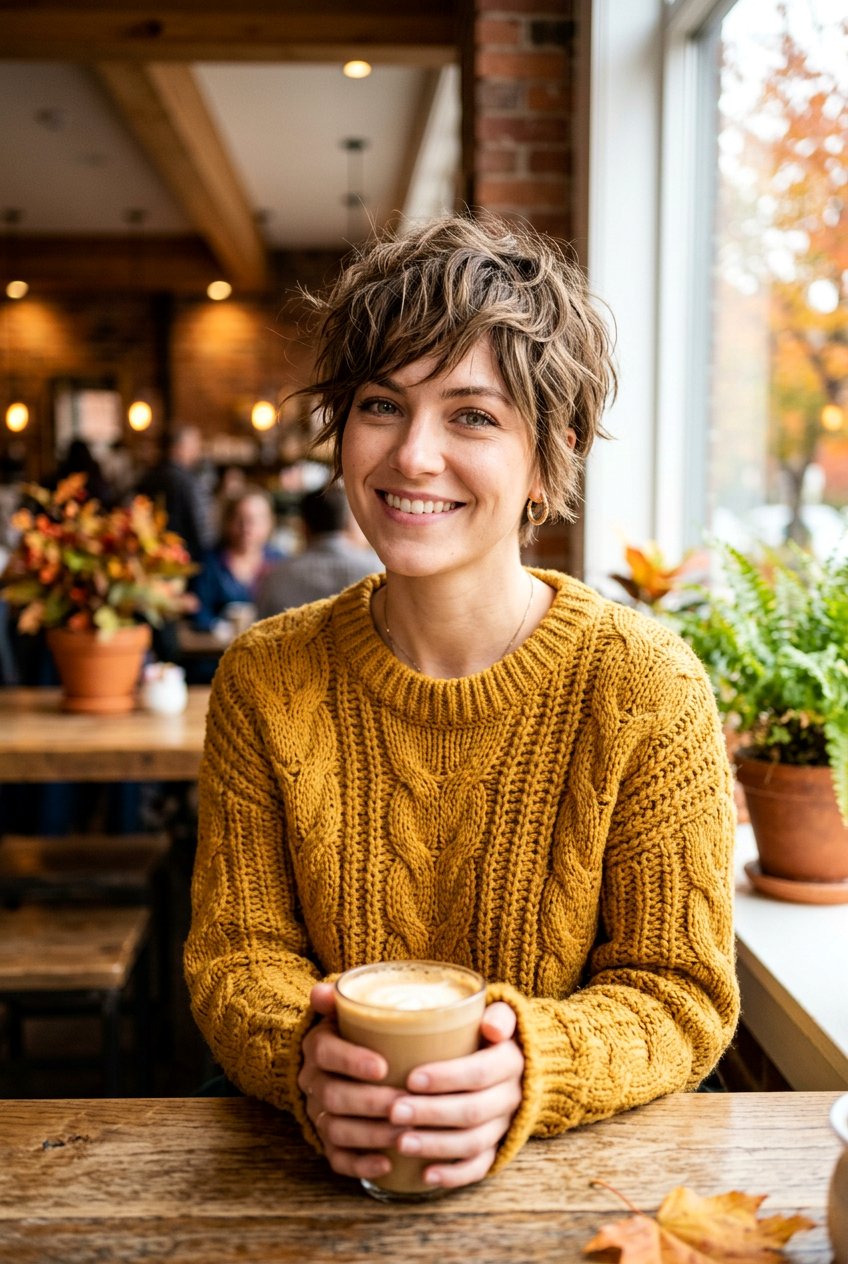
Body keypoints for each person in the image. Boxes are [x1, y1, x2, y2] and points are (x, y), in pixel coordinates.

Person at [184, 214, 739, 1195]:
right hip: (314, 1197)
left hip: (572, 1198)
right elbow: (239, 955)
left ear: (549, 455)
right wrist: (305, 1061)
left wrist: (532, 1061)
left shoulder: (646, 687)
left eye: (471, 416)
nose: (413, 455)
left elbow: (680, 989)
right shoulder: (266, 677)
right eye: (381, 405)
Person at [255, 484, 381, 617]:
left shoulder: (277, 576)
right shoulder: (375, 570)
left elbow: (260, 626)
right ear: (346, 523)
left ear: (303, 527)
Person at [190, 485, 282, 635]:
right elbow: (198, 610)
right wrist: (217, 627)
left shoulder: (280, 563)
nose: (246, 527)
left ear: (269, 523)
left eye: (255, 520)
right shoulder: (209, 563)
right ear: (227, 522)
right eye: (240, 519)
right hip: (215, 651)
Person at [137, 425, 213, 562]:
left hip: (150, 556)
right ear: (178, 447)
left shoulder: (146, 477)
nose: (197, 451)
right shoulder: (188, 483)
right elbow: (202, 529)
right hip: (183, 559)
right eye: (194, 445)